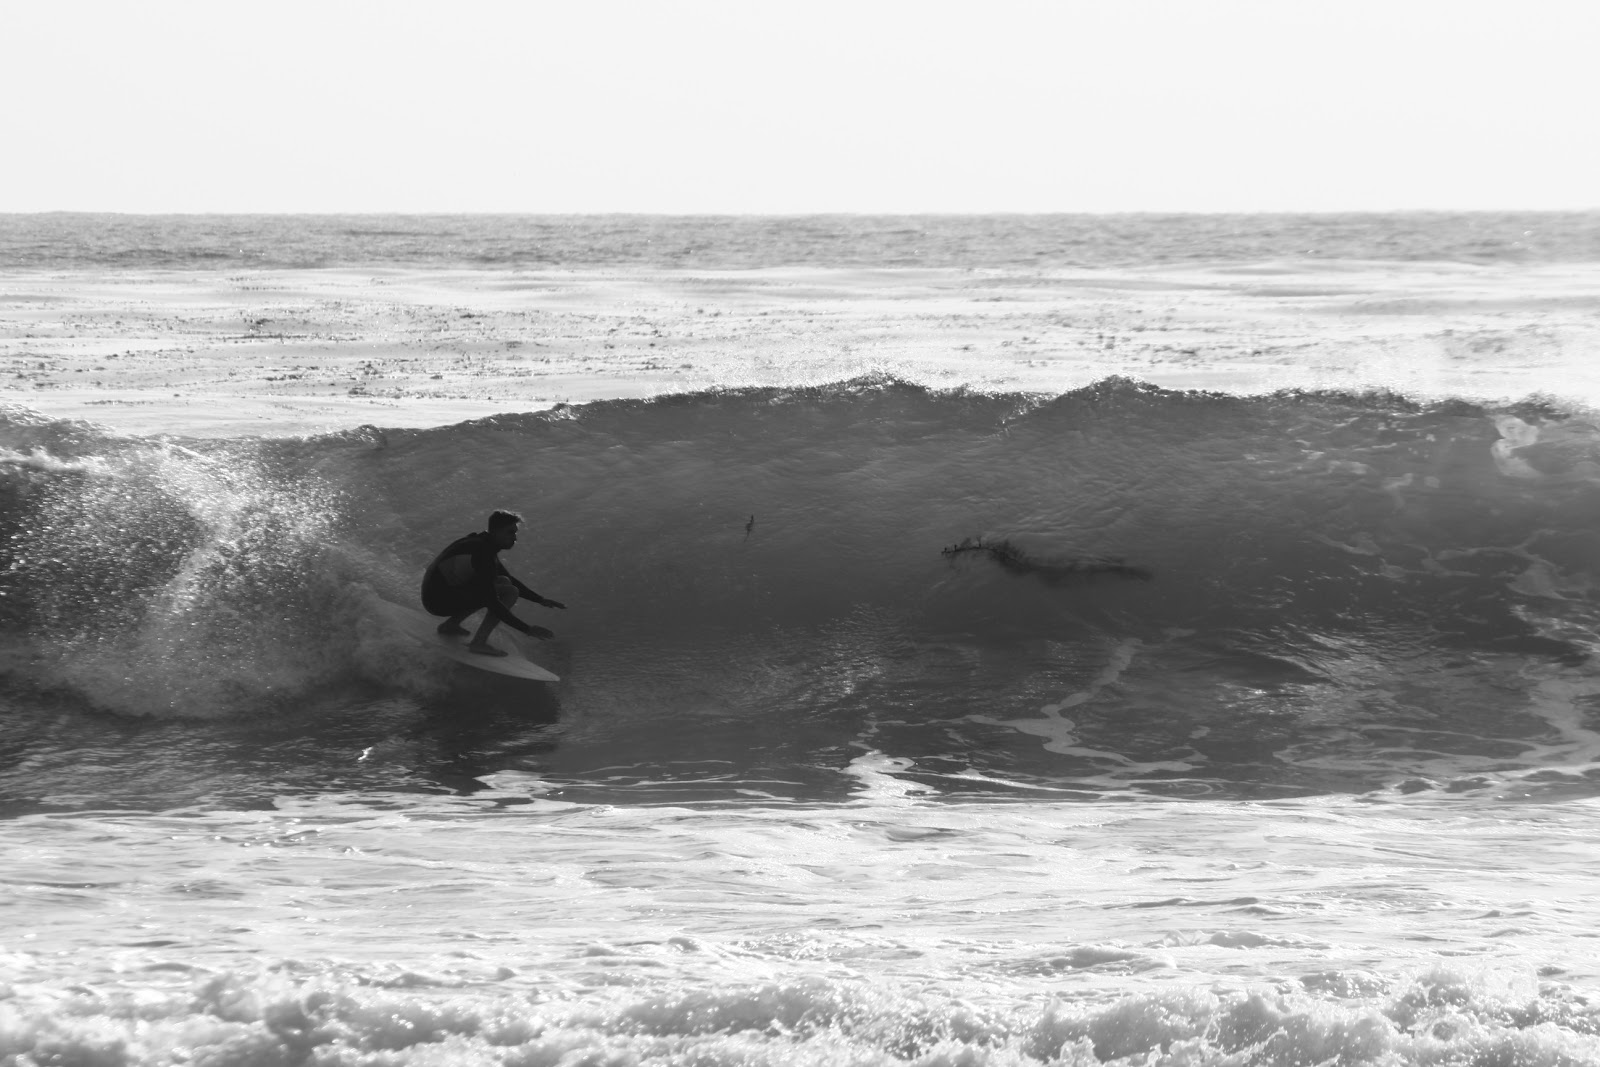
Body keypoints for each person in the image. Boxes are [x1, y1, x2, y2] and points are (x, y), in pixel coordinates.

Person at [420, 510, 566, 656]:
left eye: (515, 533)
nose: (514, 538)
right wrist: (527, 629)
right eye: (510, 532)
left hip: (437, 595)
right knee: (509, 591)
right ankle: (478, 643)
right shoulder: (482, 553)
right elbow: (492, 601)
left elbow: (506, 577)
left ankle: (451, 625)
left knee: (504, 581)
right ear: (496, 531)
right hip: (437, 601)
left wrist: (540, 600)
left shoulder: (481, 543)